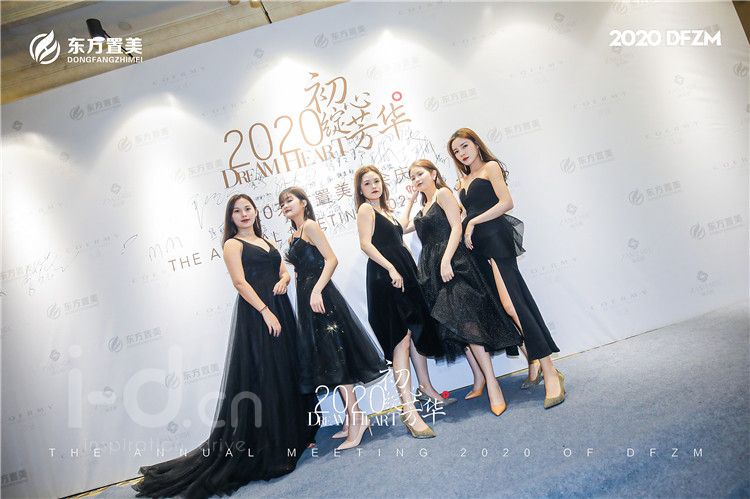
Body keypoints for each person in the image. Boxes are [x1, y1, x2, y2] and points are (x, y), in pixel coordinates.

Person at [132, 194, 319, 499]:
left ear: (256, 211)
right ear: (230, 218)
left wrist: (284, 280)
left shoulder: (265, 240)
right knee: (265, 377)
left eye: (248, 208)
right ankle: (272, 448)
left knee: (285, 371)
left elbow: (283, 269)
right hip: (258, 314)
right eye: (237, 211)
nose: (244, 214)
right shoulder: (233, 244)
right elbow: (240, 283)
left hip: (280, 309)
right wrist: (265, 311)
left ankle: (295, 436)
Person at [449, 128, 565, 409]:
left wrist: (473, 222)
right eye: (456, 151)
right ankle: (535, 362)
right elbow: (466, 213)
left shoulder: (490, 168)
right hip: (477, 250)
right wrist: (464, 222)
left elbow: (507, 203)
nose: (461, 153)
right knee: (504, 309)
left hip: (496, 239)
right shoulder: (462, 181)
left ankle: (551, 371)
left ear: (476, 145)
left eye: (465, 146)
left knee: (515, 305)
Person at [405, 159, 522, 416]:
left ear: (433, 173)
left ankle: (492, 384)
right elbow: (401, 227)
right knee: (458, 326)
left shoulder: (443, 194)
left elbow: (456, 227)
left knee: (468, 322)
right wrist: (412, 200)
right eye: (412, 177)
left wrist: (447, 260)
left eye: (420, 174)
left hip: (454, 263)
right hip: (432, 270)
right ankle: (479, 378)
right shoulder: (423, 207)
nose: (416, 179)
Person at [280, 187, 389, 450]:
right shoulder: (294, 234)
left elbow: (331, 260)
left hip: (322, 298)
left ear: (303, 202)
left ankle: (357, 418)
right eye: (281, 203)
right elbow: (300, 271)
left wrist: (316, 290)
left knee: (336, 357)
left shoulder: (310, 226)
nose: (285, 206)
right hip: (309, 301)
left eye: (289, 200)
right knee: (330, 359)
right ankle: (352, 418)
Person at [354, 164, 448, 439]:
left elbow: (401, 232)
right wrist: (391, 269)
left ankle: (426, 388)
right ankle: (408, 409)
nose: (374, 186)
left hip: (404, 273)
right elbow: (365, 244)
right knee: (401, 339)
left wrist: (410, 199)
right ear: (361, 190)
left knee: (416, 332)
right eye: (367, 183)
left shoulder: (385, 211)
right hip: (385, 277)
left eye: (376, 181)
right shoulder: (366, 210)